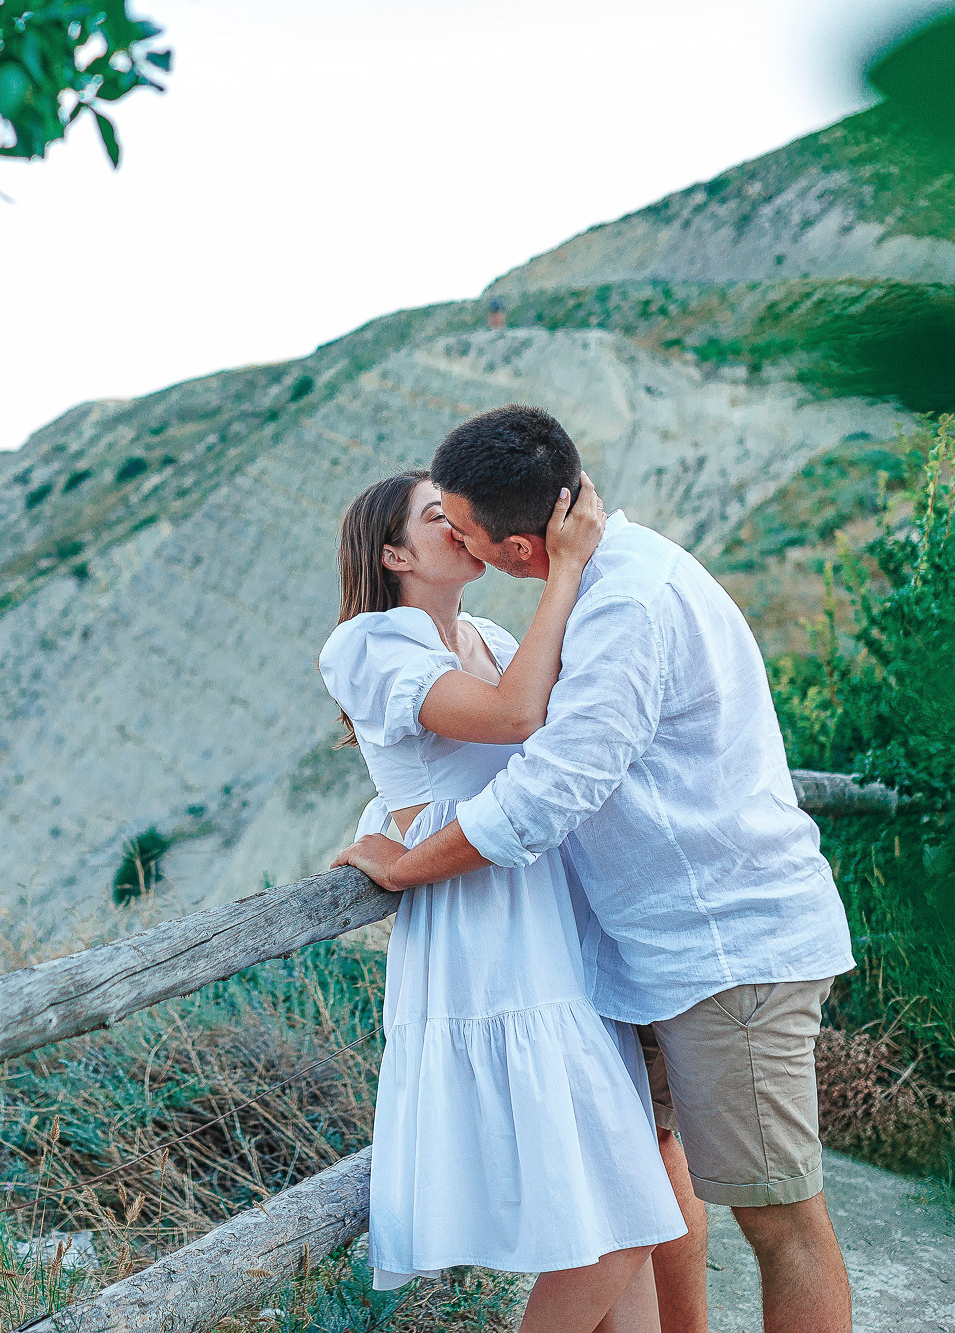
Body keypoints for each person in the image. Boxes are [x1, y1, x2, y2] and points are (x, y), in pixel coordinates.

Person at [334, 406, 858, 1333]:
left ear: (517, 543)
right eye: (437, 522)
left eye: (462, 523)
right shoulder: (595, 582)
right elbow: (452, 751)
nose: (458, 538)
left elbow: (545, 784)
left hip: (724, 945)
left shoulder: (622, 601)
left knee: (779, 1221)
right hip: (626, 949)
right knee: (648, 1184)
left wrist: (409, 864)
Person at [319, 469, 685, 1333]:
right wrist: (563, 570)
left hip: (548, 922)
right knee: (625, 1210)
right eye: (438, 516)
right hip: (484, 936)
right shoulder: (368, 644)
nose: (463, 523)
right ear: (394, 553)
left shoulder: (481, 632)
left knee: (613, 1213)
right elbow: (520, 719)